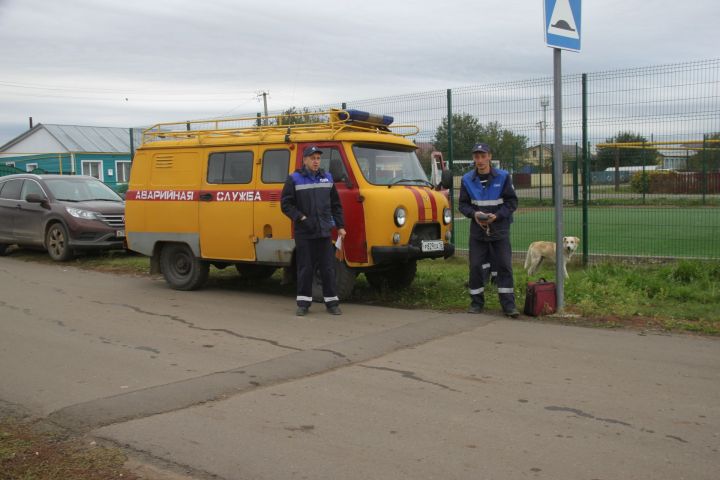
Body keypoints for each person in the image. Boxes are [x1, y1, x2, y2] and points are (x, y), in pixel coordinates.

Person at [281, 145, 346, 316]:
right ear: (305, 160)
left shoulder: (328, 178)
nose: (316, 161)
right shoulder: (294, 179)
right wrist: (301, 218)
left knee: (328, 268)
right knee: (305, 268)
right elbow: (286, 205)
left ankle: (332, 303)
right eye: (312, 158)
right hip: (304, 233)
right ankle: (303, 303)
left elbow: (336, 205)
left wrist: (340, 226)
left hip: (324, 231)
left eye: (318, 158)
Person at [458, 142, 520, 318]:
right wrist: (474, 214)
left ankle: (509, 305)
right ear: (473, 159)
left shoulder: (503, 177)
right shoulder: (467, 179)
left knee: (504, 266)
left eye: (483, 156)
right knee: (476, 266)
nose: (480, 160)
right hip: (477, 230)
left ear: (490, 157)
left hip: (499, 229)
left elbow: (512, 202)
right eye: (476, 157)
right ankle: (476, 303)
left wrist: (497, 216)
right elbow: (463, 204)